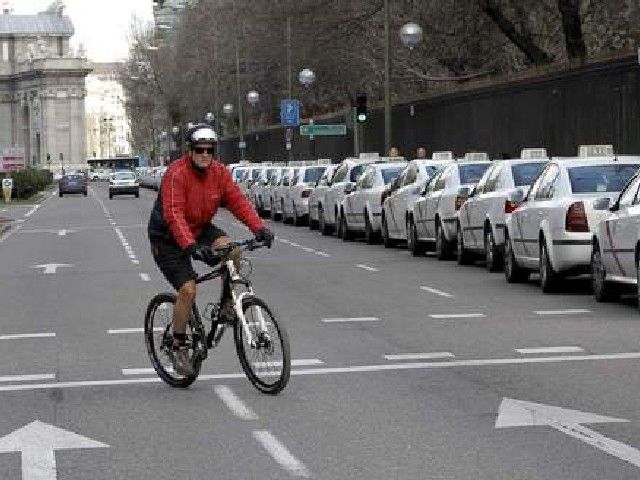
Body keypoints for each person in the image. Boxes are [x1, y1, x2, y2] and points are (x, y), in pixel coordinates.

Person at [148, 124, 273, 376]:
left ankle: (228, 303)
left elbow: (238, 201)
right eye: (199, 149)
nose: (205, 154)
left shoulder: (219, 173)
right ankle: (179, 344)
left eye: (210, 150)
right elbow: (174, 215)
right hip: (168, 237)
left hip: (199, 228)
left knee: (234, 250)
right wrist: (191, 247)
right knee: (188, 289)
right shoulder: (176, 174)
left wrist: (259, 228)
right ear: (190, 150)